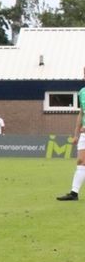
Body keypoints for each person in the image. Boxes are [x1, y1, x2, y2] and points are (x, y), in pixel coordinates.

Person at [56, 68, 85, 201]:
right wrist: (76, 134)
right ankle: (74, 193)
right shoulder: (82, 92)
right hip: (84, 133)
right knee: (80, 161)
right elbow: (81, 113)